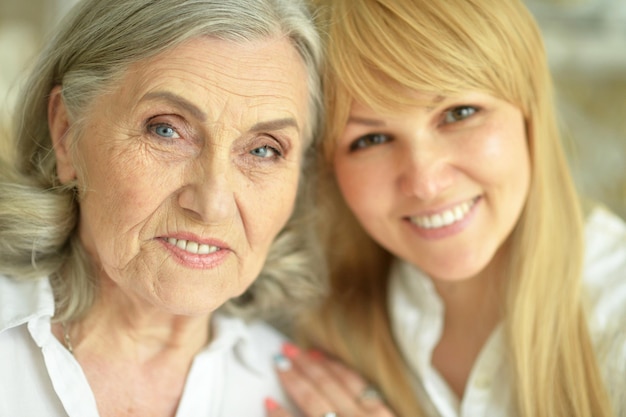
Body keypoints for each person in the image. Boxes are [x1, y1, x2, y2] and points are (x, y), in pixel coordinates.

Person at [266, 0, 626, 416]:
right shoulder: (310, 325)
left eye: (459, 113)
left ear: (531, 112)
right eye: (370, 140)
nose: (425, 183)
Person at [0, 0, 324, 416]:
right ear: (66, 133)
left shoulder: (297, 398)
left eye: (263, 150)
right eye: (166, 129)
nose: (212, 205)